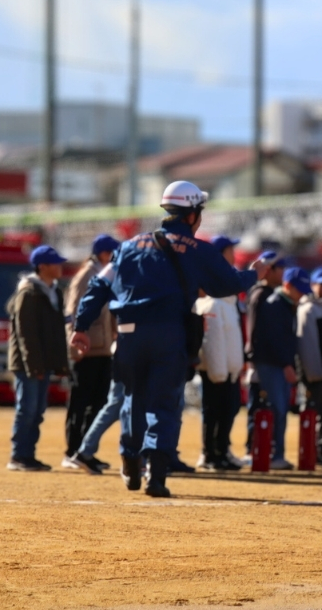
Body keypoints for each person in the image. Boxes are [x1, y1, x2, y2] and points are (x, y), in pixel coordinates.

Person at [72, 182, 262, 497]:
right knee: (165, 403)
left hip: (129, 335)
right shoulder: (200, 250)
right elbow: (227, 284)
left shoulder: (129, 246)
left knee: (133, 398)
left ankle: (130, 458)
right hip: (170, 334)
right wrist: (255, 273)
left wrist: (81, 326)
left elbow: (98, 286)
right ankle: (156, 477)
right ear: (192, 215)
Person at [6, 245, 71, 471]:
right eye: (55, 263)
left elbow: (56, 333)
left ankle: (27, 454)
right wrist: (34, 366)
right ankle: (18, 455)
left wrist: (60, 363)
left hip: (41, 364)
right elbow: (26, 335)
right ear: (42, 267)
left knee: (37, 410)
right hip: (28, 364)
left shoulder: (53, 291)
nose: (59, 267)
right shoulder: (29, 293)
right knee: (27, 409)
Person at [62, 234, 119, 473]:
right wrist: (75, 347)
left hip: (102, 349)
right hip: (86, 351)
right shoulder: (87, 274)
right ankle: (72, 452)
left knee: (97, 403)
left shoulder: (105, 273)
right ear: (104, 253)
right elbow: (71, 312)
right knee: (80, 402)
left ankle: (86, 451)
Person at [193, 235, 248, 472]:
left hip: (228, 369)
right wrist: (218, 371)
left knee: (228, 408)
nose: (233, 254)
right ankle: (210, 453)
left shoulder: (226, 301)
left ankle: (221, 450)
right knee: (214, 410)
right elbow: (212, 342)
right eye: (229, 250)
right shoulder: (214, 302)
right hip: (217, 370)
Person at [251, 266, 310, 470]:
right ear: (287, 286)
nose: (301, 294)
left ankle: (274, 453)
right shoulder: (275, 304)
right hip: (273, 364)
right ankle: (275, 455)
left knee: (280, 409)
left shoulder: (285, 304)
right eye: (299, 289)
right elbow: (274, 340)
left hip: (277, 364)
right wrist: (287, 365)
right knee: (277, 410)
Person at [243, 251, 285, 453]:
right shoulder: (261, 295)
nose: (283, 273)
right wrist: (254, 360)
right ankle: (256, 450)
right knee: (262, 407)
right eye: (280, 268)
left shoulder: (271, 295)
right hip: (263, 362)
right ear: (268, 270)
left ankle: (261, 449)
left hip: (268, 360)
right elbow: (257, 332)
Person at [295, 266, 322, 442]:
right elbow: (306, 345)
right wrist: (313, 374)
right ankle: (310, 450)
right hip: (314, 374)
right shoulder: (308, 309)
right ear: (313, 285)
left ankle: (321, 449)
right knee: (311, 411)